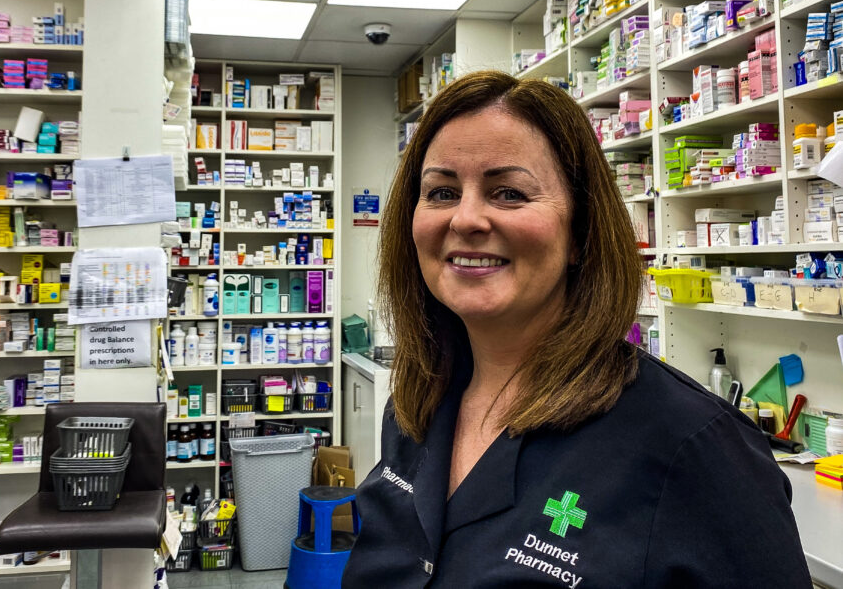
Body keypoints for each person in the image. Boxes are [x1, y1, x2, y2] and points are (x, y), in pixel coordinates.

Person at [341, 70, 811, 588]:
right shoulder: (415, 404)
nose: (466, 219)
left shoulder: (695, 448)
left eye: (510, 193)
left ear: (581, 234)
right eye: (441, 192)